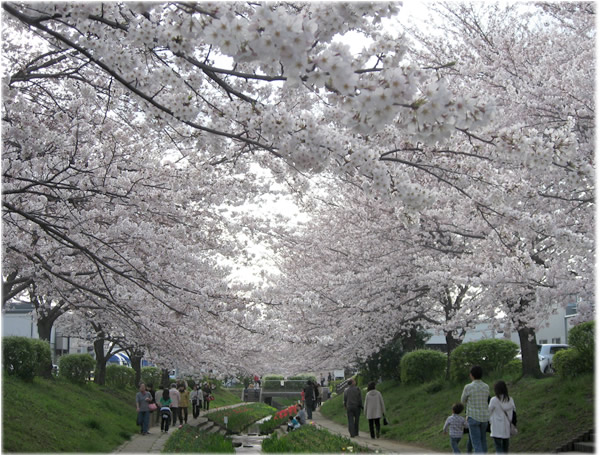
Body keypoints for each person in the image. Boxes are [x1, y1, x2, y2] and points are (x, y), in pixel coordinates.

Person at [461, 365, 490, 453]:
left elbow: (463, 400)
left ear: (471, 375)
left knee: (476, 443)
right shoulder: (486, 386)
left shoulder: (468, 387)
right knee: (483, 440)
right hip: (484, 417)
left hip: (473, 417)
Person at [489, 380, 516, 453]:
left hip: (496, 427)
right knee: (505, 448)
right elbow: (514, 412)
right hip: (506, 427)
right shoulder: (510, 400)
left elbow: (488, 412)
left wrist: (489, 420)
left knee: (498, 447)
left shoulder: (494, 400)